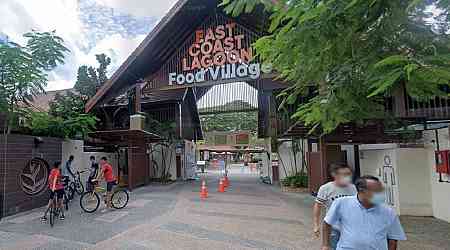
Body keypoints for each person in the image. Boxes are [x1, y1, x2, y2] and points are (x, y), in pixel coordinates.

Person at [322, 176, 406, 250]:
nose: (380, 193)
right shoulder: (342, 203)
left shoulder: (388, 212)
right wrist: (326, 245)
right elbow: (327, 223)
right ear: (362, 191)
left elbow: (393, 239)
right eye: (376, 191)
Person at [313, 164, 357, 249]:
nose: (347, 177)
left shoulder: (353, 188)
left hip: (350, 227)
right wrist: (316, 224)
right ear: (335, 175)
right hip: (332, 227)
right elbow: (318, 206)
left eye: (348, 174)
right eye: (344, 174)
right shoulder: (325, 188)